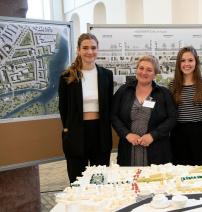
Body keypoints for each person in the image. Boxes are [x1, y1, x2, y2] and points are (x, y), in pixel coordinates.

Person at [58, 33, 113, 183]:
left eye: (93, 48)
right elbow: (62, 106)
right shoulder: (67, 76)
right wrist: (66, 129)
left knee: (99, 180)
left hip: (100, 133)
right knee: (77, 180)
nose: (90, 52)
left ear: (98, 49)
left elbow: (109, 104)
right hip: (76, 133)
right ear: (78, 50)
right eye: (85, 48)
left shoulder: (107, 75)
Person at [111, 55, 176, 166]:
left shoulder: (164, 93)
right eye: (141, 68)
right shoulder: (124, 91)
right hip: (128, 149)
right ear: (136, 70)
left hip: (157, 151)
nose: (144, 72)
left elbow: (172, 118)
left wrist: (153, 135)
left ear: (155, 74)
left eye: (149, 70)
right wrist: (127, 134)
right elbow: (113, 115)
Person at [170, 46, 202, 165]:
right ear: (178, 63)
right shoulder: (173, 84)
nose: (186, 64)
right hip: (179, 133)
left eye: (190, 60)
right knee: (181, 169)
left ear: (196, 62)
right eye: (183, 60)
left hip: (201, 133)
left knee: (201, 168)